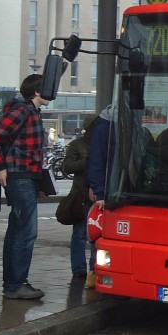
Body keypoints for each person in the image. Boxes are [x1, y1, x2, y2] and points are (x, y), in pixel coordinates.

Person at [0, 73, 50, 300]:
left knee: (16, 232)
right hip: (19, 178)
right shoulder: (23, 111)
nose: (53, 93)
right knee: (26, 232)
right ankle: (16, 284)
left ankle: (13, 283)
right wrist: (1, 167)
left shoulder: (31, 112)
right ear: (38, 91)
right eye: (48, 88)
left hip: (25, 177)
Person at [85, 105, 114, 289]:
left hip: (118, 188)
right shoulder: (104, 128)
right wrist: (99, 191)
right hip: (108, 190)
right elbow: (96, 160)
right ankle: (95, 271)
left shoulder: (124, 122)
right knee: (100, 231)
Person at [60, 123, 93, 281]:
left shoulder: (107, 143)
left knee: (97, 235)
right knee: (80, 234)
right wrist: (87, 161)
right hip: (81, 196)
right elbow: (67, 167)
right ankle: (79, 268)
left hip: (99, 195)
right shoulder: (76, 145)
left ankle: (95, 267)